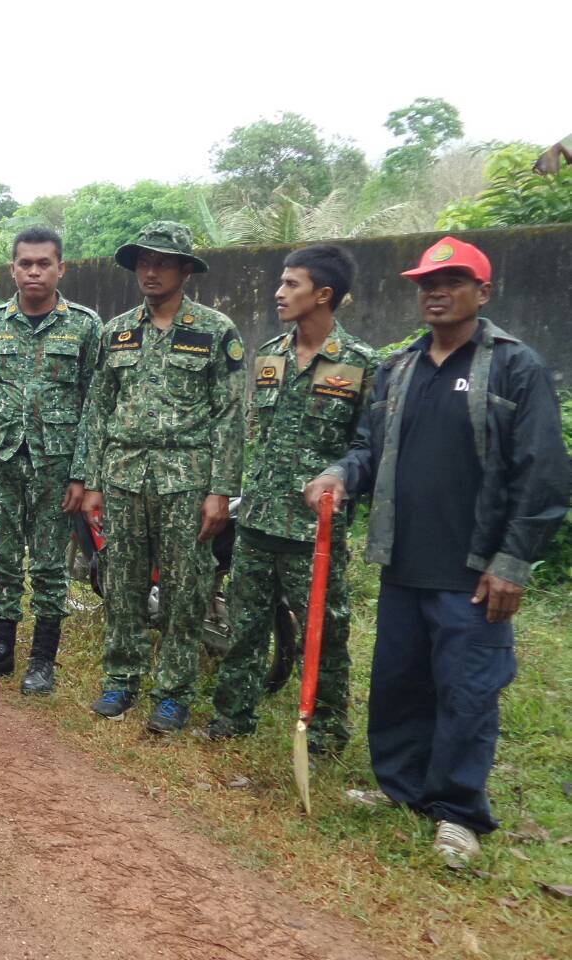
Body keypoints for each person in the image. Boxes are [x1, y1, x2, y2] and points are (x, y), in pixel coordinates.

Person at [307, 236, 570, 867]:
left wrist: (512, 562)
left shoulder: (514, 367)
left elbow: (542, 473)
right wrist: (341, 474)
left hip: (472, 570)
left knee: (467, 691)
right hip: (403, 560)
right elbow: (370, 448)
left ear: (483, 291)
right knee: (400, 681)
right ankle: (401, 785)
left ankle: (457, 811)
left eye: (451, 282)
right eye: (427, 284)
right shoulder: (400, 367)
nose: (436, 293)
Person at [78, 221, 245, 733]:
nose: (151, 271)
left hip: (187, 480)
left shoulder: (215, 330)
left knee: (185, 588)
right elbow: (99, 409)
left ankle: (173, 692)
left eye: (163, 262)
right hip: (124, 475)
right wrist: (92, 481)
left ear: (185, 270)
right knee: (122, 580)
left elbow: (230, 415)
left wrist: (221, 489)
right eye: (144, 262)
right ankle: (121, 678)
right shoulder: (116, 331)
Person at [210, 245, 376, 753]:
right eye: (281, 283)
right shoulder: (271, 354)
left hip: (313, 532)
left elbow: (369, 448)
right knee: (245, 624)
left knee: (324, 634)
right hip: (258, 518)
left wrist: (338, 484)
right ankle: (232, 716)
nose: (279, 293)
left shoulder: (361, 364)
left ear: (323, 294)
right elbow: (255, 432)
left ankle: (325, 733)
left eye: (291, 284)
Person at [0, 227, 102, 694]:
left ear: (61, 268)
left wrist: (83, 474)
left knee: (51, 565)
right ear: (12, 268)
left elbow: (94, 405)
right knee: (2, 560)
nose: (34, 271)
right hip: (0, 461)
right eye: (25, 263)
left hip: (57, 466)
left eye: (43, 263)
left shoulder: (84, 326)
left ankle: (42, 660)